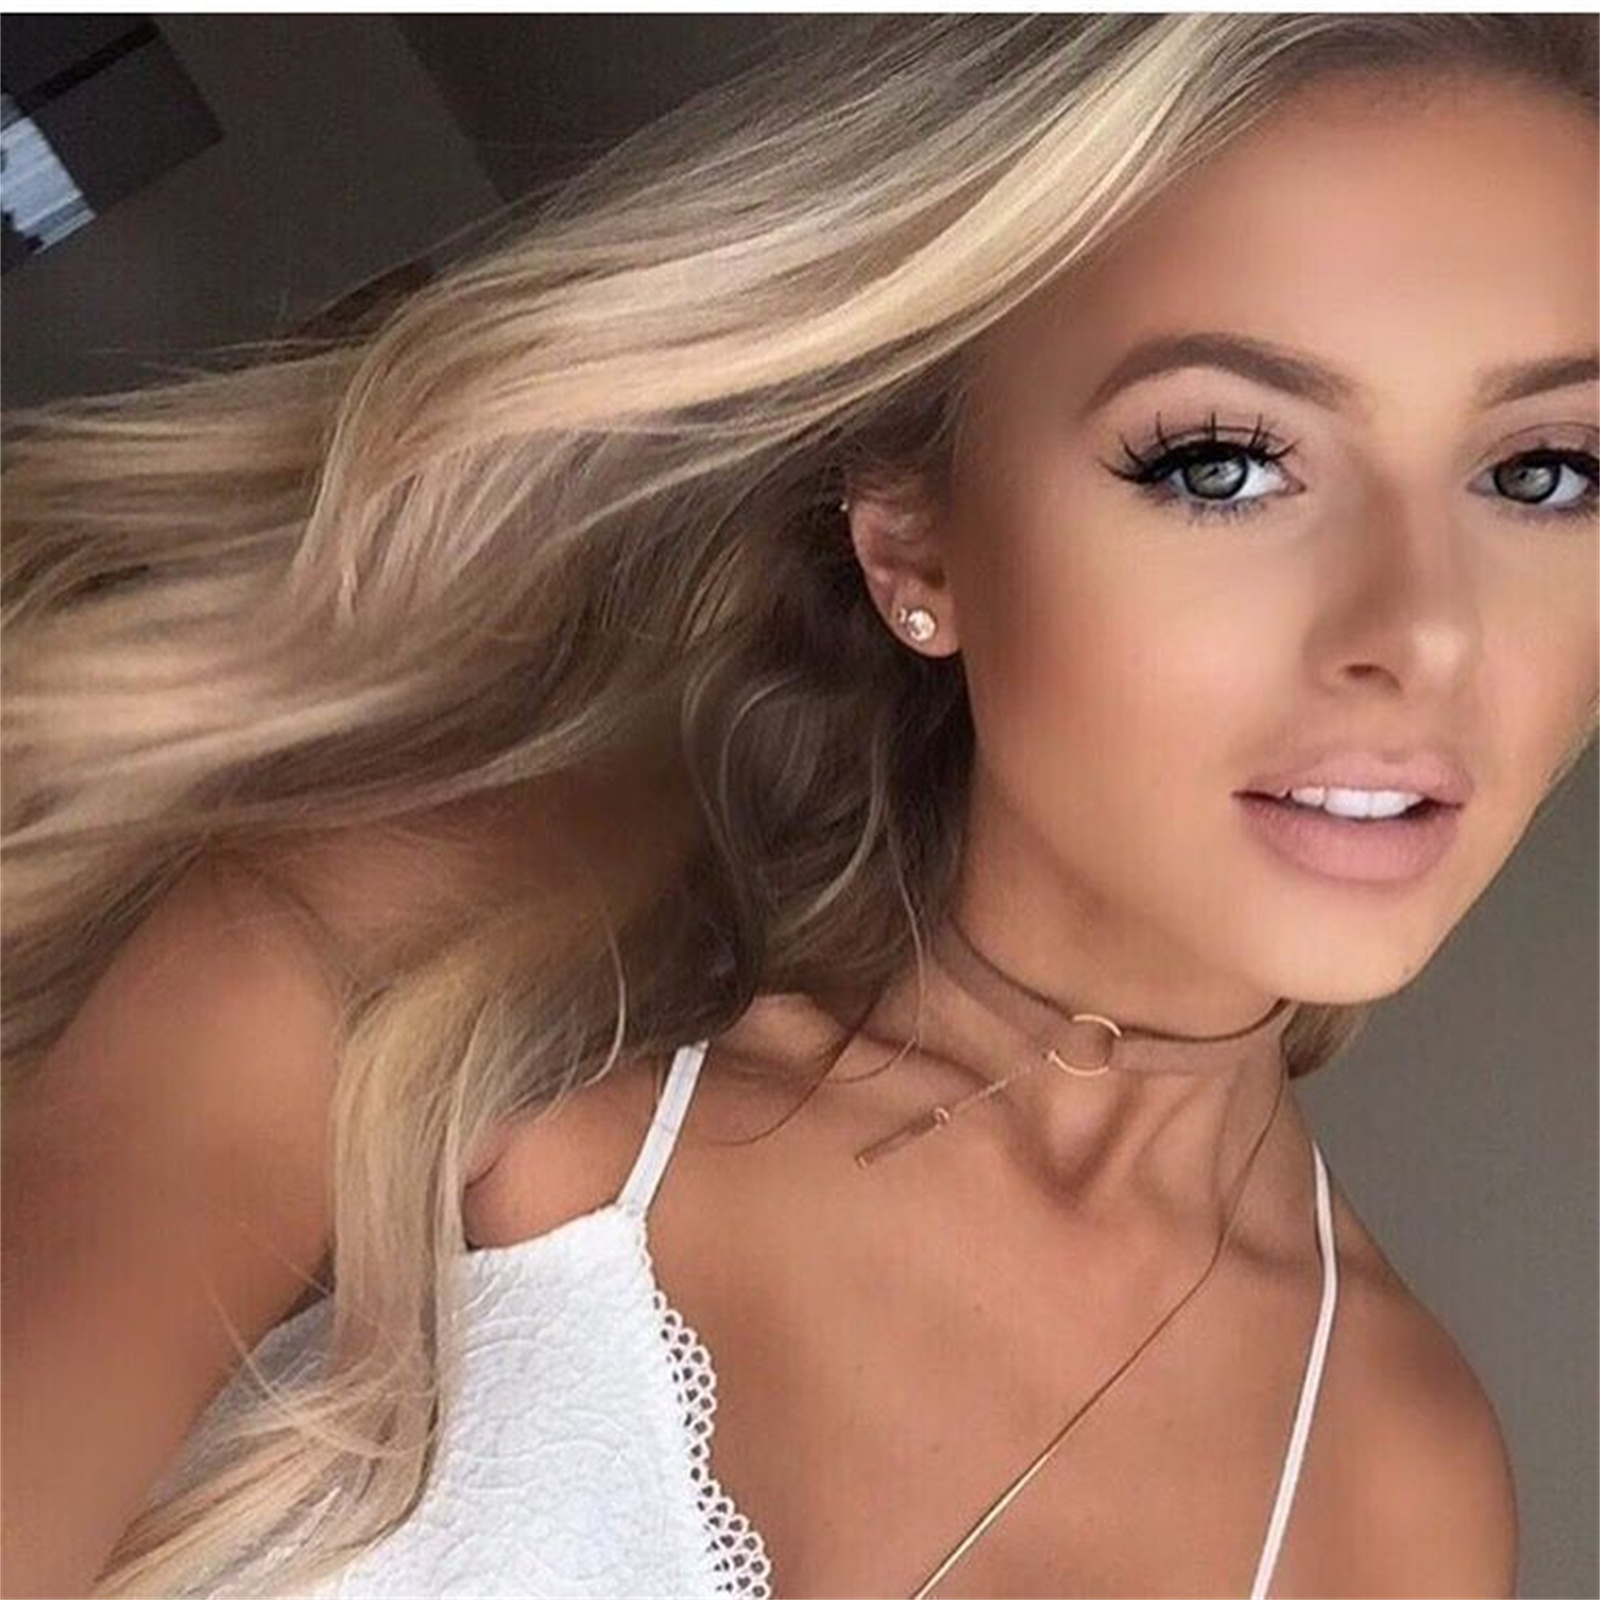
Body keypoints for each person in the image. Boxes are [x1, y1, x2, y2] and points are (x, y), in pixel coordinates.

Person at [3, 14, 1594, 1599]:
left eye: (1542, 473)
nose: (1425, 633)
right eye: (1222, 463)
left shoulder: (1397, 1491)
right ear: (916, 541)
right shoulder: (432, 972)